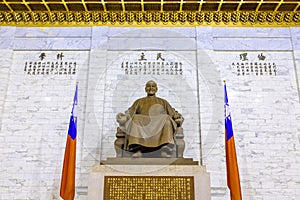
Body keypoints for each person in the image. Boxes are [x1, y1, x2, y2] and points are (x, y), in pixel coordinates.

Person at [116, 80, 183, 158]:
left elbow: (172, 114)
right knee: (135, 118)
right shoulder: (139, 101)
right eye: (148, 86)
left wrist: (176, 116)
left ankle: (164, 150)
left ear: (156, 89)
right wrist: (123, 116)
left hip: (159, 123)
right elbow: (130, 113)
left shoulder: (163, 102)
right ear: (145, 89)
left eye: (153, 86)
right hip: (143, 123)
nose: (151, 88)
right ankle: (138, 149)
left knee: (166, 118)